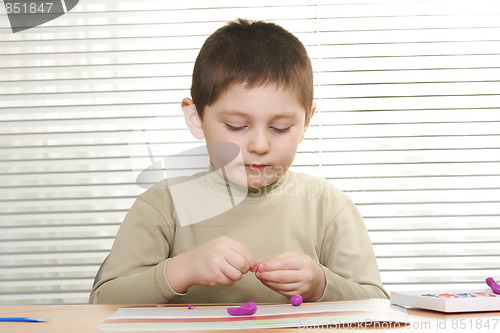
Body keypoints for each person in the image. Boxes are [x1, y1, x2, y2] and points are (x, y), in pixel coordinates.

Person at [89, 18, 388, 304]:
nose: (259, 146)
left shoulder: (329, 207)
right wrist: (182, 270)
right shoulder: (162, 205)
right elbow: (102, 301)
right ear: (196, 119)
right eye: (235, 126)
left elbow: (376, 304)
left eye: (280, 128)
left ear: (307, 122)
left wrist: (322, 284)